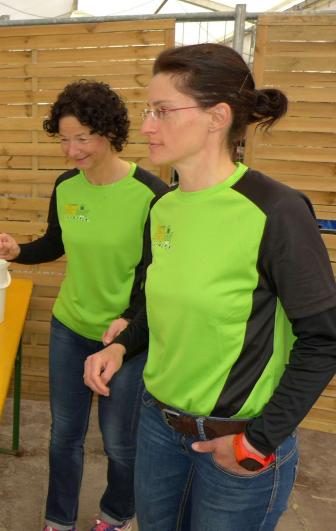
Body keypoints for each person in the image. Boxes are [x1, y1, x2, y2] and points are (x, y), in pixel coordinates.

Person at [83, 43, 336, 530]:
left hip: (236, 440)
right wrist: (122, 346)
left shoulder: (276, 210)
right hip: (158, 427)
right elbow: (160, 305)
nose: (146, 126)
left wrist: (258, 441)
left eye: (163, 111)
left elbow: (324, 338)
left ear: (217, 117)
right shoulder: (163, 208)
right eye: (147, 110)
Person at [0, 80, 167, 531]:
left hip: (125, 338)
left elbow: (156, 274)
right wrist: (18, 252)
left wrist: (128, 323)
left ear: (108, 133)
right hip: (70, 327)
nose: (72, 151)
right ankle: (59, 520)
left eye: (83, 138)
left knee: (119, 442)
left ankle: (116, 514)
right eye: (65, 139)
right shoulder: (67, 187)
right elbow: (55, 242)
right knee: (64, 435)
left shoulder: (150, 194)